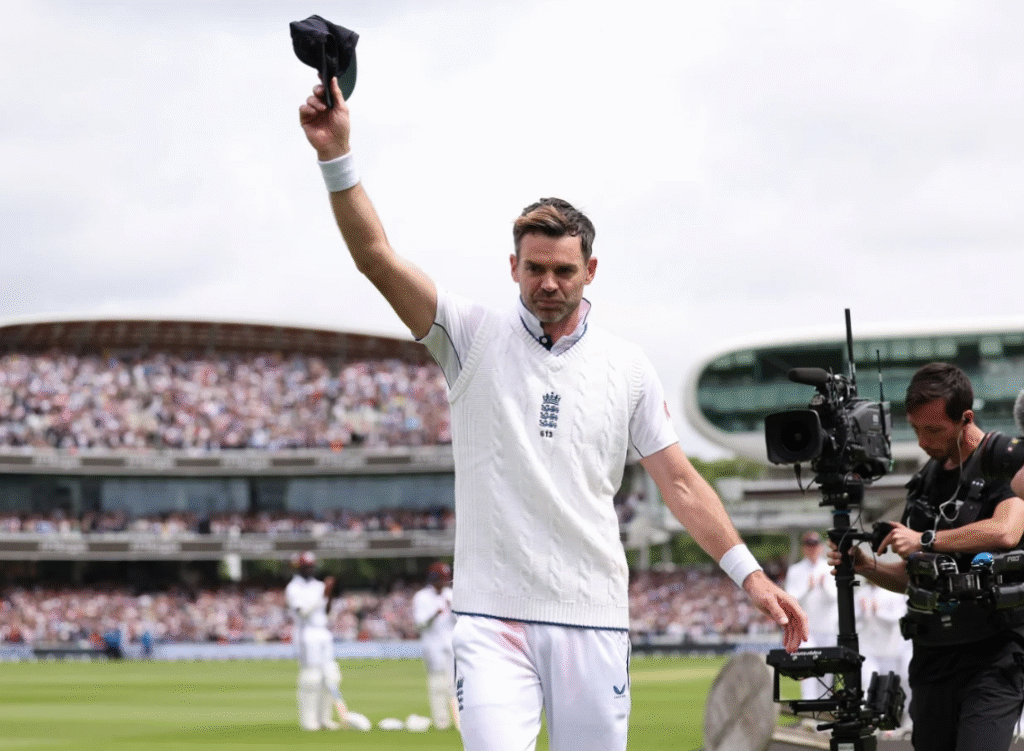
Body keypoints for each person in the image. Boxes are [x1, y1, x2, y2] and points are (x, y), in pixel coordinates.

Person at [298, 75, 809, 751]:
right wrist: (336, 155)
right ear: (512, 266)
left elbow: (681, 483)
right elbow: (376, 258)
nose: (548, 283)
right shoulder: (470, 336)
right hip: (489, 616)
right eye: (535, 267)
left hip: (592, 614)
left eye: (563, 270)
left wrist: (751, 574)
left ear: (591, 269)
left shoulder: (627, 366)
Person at [829, 362, 1024, 751]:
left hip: (995, 653)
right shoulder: (925, 482)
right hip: (932, 655)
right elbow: (909, 577)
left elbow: (1006, 531)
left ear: (966, 418)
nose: (922, 441)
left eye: (934, 430)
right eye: (916, 429)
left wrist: (927, 538)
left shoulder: (1002, 460)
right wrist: (868, 568)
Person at [284, 551, 370, 732]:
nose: (310, 569)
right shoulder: (294, 587)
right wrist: (323, 593)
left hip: (323, 631)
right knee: (312, 677)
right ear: (299, 568)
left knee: (331, 676)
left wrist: (329, 593)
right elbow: (302, 612)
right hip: (306, 632)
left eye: (311, 566)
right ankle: (309, 721)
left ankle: (325, 718)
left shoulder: (317, 585)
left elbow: (326, 610)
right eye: (306, 566)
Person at [784, 530, 838, 702]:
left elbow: (836, 598)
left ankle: (824, 710)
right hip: (807, 629)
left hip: (828, 627)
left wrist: (823, 587)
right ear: (803, 548)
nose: (812, 548)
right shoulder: (795, 570)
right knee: (808, 667)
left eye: (814, 545)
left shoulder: (830, 568)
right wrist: (808, 588)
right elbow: (791, 600)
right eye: (808, 545)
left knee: (827, 673)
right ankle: (809, 706)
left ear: (820, 547)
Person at [412, 560, 459, 731]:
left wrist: (452, 609)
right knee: (437, 685)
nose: (444, 582)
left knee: (454, 684)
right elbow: (420, 624)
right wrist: (434, 614)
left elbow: (459, 621)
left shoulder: (451, 594)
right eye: (441, 578)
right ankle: (441, 722)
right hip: (433, 646)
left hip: (451, 644)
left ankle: (459, 720)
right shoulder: (421, 597)